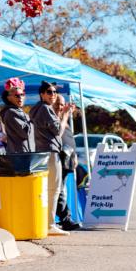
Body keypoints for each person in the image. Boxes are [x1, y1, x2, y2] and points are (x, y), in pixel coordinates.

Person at [30, 81, 75, 237]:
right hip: (50, 152)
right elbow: (57, 130)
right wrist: (66, 116)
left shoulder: (36, 108)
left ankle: (47, 222)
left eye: (54, 92)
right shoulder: (45, 108)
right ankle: (49, 224)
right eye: (49, 92)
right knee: (54, 189)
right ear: (42, 94)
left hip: (42, 152)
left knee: (47, 189)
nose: (53, 95)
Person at [53, 94, 82, 231]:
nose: (60, 107)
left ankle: (65, 218)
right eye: (57, 104)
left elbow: (69, 138)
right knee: (60, 190)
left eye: (62, 104)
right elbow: (59, 133)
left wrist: (74, 156)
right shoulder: (54, 119)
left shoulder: (64, 119)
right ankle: (65, 219)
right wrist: (64, 116)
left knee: (62, 189)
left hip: (67, 159)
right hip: (56, 159)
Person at [0, 78, 35, 154]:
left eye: (22, 94)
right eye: (17, 95)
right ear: (9, 98)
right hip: (19, 156)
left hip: (25, 153)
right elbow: (25, 133)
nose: (20, 97)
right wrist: (33, 119)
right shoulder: (11, 112)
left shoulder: (18, 112)